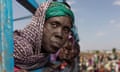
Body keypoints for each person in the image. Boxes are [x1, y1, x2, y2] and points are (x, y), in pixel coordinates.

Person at [13, 1, 74, 71]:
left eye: (66, 30)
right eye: (54, 24)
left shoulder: (44, 56)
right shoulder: (18, 47)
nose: (60, 34)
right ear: (40, 24)